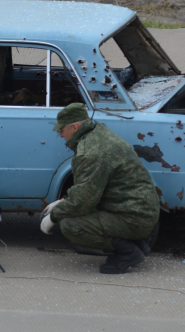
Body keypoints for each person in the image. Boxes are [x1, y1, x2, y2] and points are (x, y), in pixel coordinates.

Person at [40, 103, 160, 274]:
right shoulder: (98, 132)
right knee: (76, 210)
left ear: (74, 127)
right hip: (137, 210)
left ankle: (128, 253)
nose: (60, 135)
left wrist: (54, 216)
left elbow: (83, 202)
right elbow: (90, 186)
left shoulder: (90, 152)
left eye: (61, 131)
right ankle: (135, 243)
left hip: (133, 216)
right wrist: (63, 201)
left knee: (71, 225)